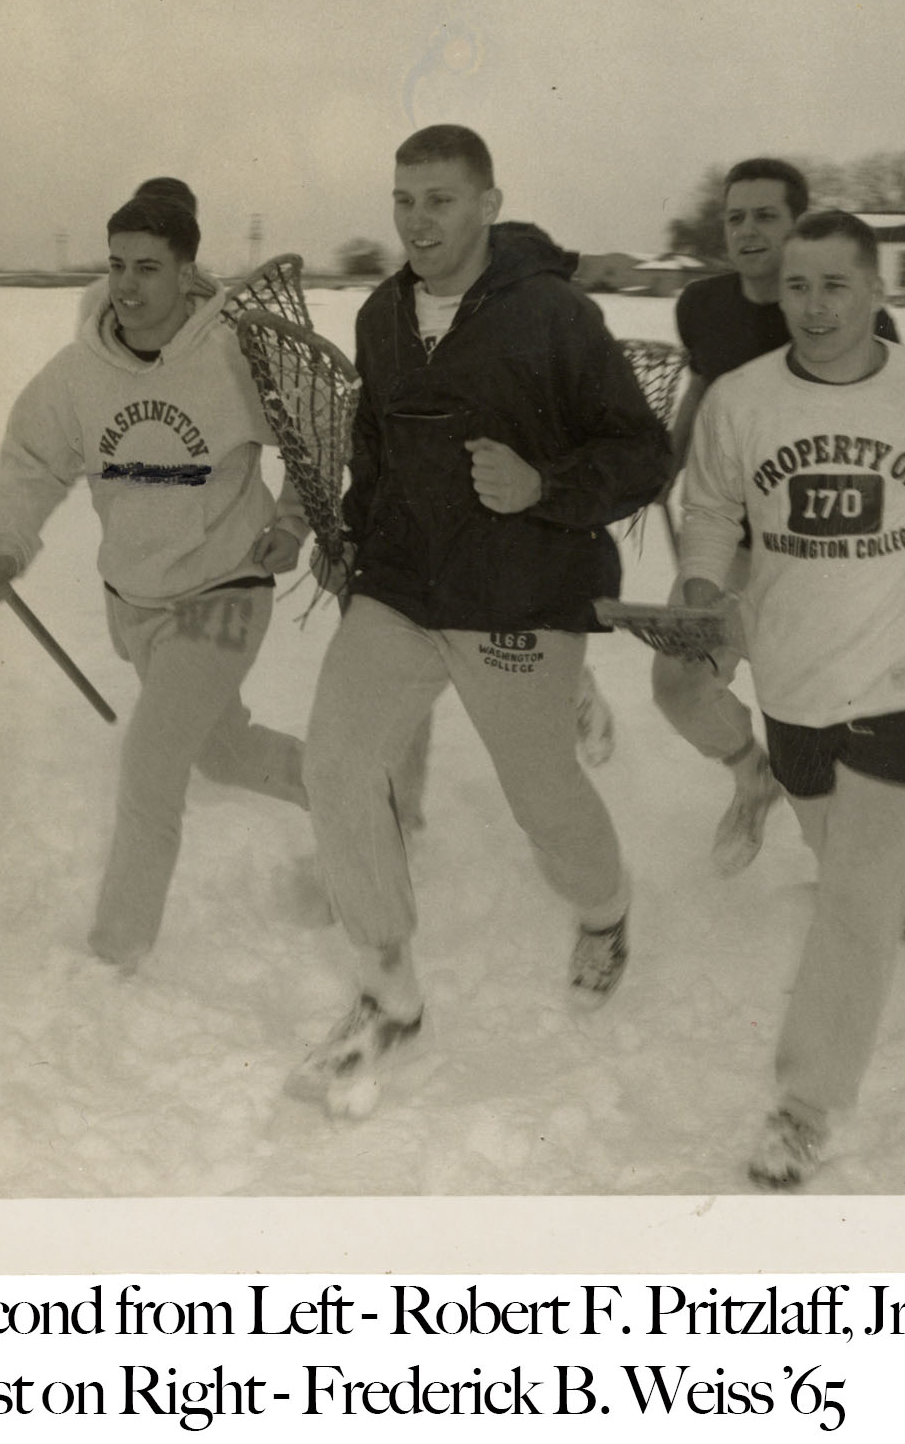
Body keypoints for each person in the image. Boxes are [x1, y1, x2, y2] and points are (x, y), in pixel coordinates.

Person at [294, 124, 672, 1109]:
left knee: (541, 794)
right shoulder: (381, 315)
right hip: (403, 589)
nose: (417, 220)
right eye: (403, 199)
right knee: (336, 763)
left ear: (489, 205)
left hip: (519, 594)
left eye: (440, 199)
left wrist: (543, 484)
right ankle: (388, 990)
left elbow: (642, 452)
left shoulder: (554, 314)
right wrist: (352, 534)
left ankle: (605, 909)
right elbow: (376, 450)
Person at [679, 209, 905, 1186]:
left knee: (852, 900)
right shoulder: (741, 401)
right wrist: (699, 583)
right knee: (831, 840)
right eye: (798, 287)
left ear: (876, 290)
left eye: (835, 286)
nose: (814, 307)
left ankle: (805, 1106)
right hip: (795, 674)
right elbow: (711, 506)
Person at [0, 185, 310, 972]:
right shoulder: (75, 375)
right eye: (117, 265)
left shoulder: (234, 356)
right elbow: (30, 466)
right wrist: (7, 547)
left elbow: (314, 432)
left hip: (225, 591)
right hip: (136, 603)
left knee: (152, 762)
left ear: (188, 273)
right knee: (221, 752)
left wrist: (292, 523)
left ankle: (115, 952)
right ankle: (350, 788)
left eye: (148, 268)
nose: (126, 285)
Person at [656, 159, 900, 875]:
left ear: (799, 225)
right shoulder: (703, 304)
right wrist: (668, 466)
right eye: (735, 217)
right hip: (728, 547)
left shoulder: (849, 312)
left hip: (820, 558)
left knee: (829, 734)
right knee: (678, 686)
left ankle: (899, 861)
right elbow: (703, 385)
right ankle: (750, 774)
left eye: (766, 215)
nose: (748, 230)